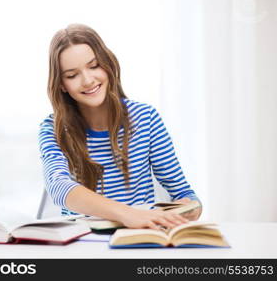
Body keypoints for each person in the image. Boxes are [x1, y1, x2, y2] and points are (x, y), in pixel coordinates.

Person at [39, 24, 201, 230]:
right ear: (61, 84)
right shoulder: (53, 129)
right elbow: (59, 187)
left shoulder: (145, 118)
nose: (88, 80)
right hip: (84, 242)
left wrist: (187, 208)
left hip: (140, 238)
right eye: (72, 75)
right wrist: (129, 214)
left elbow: (185, 195)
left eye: (94, 65)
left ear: (107, 64)